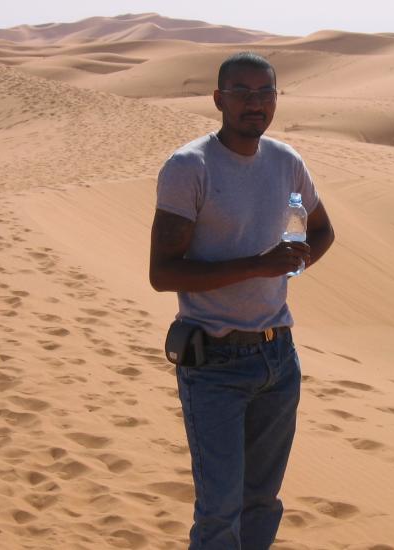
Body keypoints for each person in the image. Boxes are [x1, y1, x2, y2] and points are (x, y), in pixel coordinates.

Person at [149, 51, 335, 549]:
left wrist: (291, 266)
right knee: (219, 511)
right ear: (218, 99)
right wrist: (258, 266)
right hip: (214, 364)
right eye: (242, 93)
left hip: (278, 357)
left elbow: (321, 229)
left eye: (265, 92)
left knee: (262, 503)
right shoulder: (190, 168)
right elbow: (163, 274)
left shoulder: (286, 162)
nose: (255, 103)